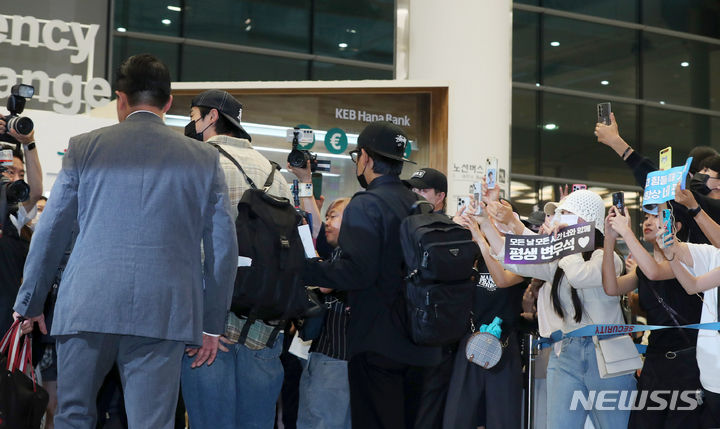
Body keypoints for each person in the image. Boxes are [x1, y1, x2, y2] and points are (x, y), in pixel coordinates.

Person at [12, 54, 238, 429]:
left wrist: (31, 301)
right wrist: (212, 324)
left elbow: (52, 230)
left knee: (72, 417)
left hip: (87, 305)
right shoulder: (203, 158)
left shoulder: (84, 147)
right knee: (152, 423)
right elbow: (222, 249)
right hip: (164, 312)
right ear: (168, 103)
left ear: (120, 98)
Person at [303, 121, 443, 428]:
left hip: (378, 344)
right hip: (421, 344)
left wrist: (303, 269)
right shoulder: (418, 204)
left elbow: (356, 273)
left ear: (365, 157)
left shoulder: (366, 204)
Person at [179, 89, 294, 429]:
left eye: (193, 115)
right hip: (265, 325)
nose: (191, 123)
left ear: (211, 117)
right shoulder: (275, 175)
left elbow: (187, 247)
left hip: (210, 326)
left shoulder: (198, 161)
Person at [481, 189, 635, 429]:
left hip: (608, 355)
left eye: (564, 213)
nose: (557, 219)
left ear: (585, 221)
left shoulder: (607, 258)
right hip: (566, 353)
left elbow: (580, 276)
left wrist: (561, 246)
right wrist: (483, 223)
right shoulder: (561, 259)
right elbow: (513, 257)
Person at [603, 206, 702, 428]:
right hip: (655, 362)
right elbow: (611, 287)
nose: (647, 221)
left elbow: (655, 273)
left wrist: (626, 232)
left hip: (688, 364)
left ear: (675, 227)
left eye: (656, 216)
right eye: (646, 216)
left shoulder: (689, 258)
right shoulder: (644, 268)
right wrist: (609, 240)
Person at [444, 210, 526, 429]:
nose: (495, 225)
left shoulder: (519, 261)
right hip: (470, 342)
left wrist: (482, 240)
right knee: (457, 417)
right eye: (492, 220)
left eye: (502, 221)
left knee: (503, 418)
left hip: (503, 345)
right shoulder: (474, 256)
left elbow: (502, 280)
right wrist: (457, 228)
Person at [595, 112, 719, 244]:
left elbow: (663, 188)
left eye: (706, 171)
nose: (695, 176)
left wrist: (617, 143)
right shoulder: (691, 213)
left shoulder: (702, 208)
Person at [296, 197, 352, 429]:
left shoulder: (349, 255)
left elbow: (324, 284)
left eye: (334, 216)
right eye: (326, 216)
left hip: (335, 358)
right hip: (324, 353)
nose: (328, 222)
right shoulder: (339, 253)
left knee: (323, 420)